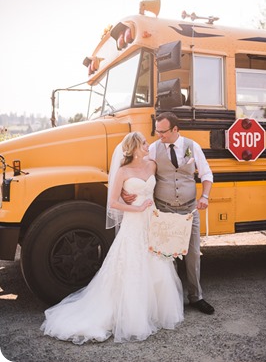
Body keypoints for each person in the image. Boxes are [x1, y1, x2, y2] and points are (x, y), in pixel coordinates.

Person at [40, 132, 184, 344]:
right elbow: (114, 203)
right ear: (135, 147)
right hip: (134, 223)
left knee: (157, 263)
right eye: (144, 143)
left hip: (151, 221)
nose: (147, 145)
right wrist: (135, 207)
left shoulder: (151, 165)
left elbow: (158, 186)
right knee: (133, 265)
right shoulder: (123, 172)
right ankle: (131, 315)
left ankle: (155, 310)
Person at [122, 112, 214, 315]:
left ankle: (196, 297)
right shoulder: (153, 149)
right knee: (165, 256)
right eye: (157, 131)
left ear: (175, 130)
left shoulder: (192, 146)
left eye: (163, 131)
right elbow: (135, 169)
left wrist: (204, 196)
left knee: (192, 254)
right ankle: (170, 299)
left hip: (189, 209)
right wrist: (124, 190)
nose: (159, 135)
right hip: (163, 209)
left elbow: (206, 173)